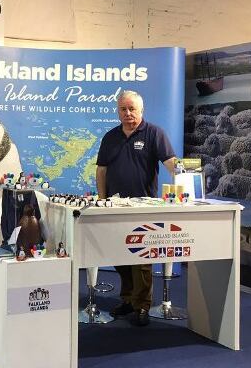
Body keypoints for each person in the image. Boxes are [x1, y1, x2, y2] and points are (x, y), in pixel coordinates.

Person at [96, 90, 176, 326]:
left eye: (132, 109)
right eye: (123, 109)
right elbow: (101, 170)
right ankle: (129, 300)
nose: (128, 113)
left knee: (142, 259)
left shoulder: (154, 134)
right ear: (118, 111)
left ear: (141, 111)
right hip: (115, 207)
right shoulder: (110, 137)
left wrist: (187, 180)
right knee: (120, 255)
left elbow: (172, 164)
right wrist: (103, 201)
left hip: (143, 208)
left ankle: (142, 305)